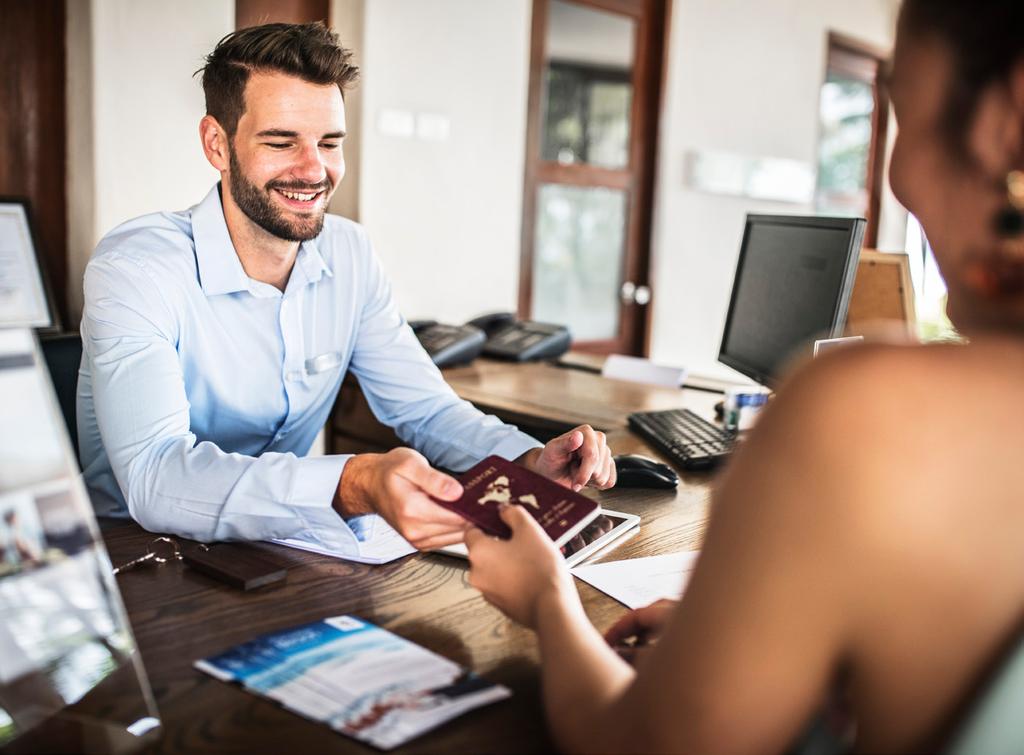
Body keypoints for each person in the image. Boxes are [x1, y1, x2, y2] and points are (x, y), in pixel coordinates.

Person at [465, 1, 1024, 751]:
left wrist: (546, 597)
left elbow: (641, 743)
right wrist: (793, 656)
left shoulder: (875, 411)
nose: (895, 178)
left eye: (903, 111)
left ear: (1005, 119)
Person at [78, 22, 615, 557]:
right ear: (218, 145)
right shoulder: (136, 268)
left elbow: (426, 410)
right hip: (137, 556)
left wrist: (525, 461)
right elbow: (155, 475)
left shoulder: (350, 253)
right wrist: (352, 482)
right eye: (281, 141)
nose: (314, 170)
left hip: (281, 547)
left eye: (330, 143)